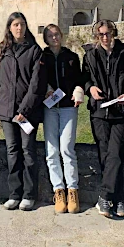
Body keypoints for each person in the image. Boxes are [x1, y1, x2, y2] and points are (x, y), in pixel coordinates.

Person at [0, 12, 47, 211]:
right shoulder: (2, 49)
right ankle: (14, 194)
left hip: (27, 112)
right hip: (7, 109)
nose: (19, 28)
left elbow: (37, 84)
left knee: (28, 151)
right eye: (15, 24)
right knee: (12, 151)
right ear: (9, 27)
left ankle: (29, 195)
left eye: (22, 24)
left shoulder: (34, 50)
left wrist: (24, 109)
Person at [83, 20, 124, 218]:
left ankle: (105, 196)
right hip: (99, 112)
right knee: (105, 156)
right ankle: (118, 198)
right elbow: (84, 78)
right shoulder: (90, 55)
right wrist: (90, 88)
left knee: (115, 154)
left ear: (114, 33)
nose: (105, 37)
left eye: (108, 33)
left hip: (120, 112)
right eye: (101, 34)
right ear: (96, 36)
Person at [42, 24, 84, 214]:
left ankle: (72, 190)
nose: (54, 38)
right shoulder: (42, 57)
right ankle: (58, 190)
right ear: (46, 38)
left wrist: (78, 89)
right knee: (51, 150)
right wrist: (46, 89)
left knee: (67, 148)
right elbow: (37, 78)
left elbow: (79, 79)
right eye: (50, 35)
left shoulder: (71, 56)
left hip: (68, 106)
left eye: (57, 34)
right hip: (49, 107)